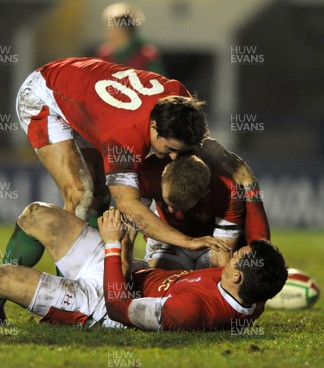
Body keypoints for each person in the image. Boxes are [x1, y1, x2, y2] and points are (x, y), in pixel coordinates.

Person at [0, 206, 287, 331]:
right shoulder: (249, 288)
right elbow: (256, 267)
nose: (229, 256)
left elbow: (122, 309)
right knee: (36, 216)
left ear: (236, 276)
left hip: (101, 304)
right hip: (123, 266)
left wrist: (111, 246)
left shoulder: (190, 312)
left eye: (234, 259)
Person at [16, 57, 226, 253]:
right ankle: (62, 282)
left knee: (100, 197)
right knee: (81, 194)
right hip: (43, 94)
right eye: (169, 149)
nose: (173, 158)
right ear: (154, 126)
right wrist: (187, 241)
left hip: (84, 94)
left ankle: (98, 269)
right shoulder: (124, 139)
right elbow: (129, 206)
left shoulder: (181, 100)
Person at [138, 138, 270, 270]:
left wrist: (250, 184)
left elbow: (222, 258)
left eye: (179, 206)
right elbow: (133, 223)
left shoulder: (227, 187)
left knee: (217, 279)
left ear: (204, 193)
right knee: (162, 280)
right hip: (169, 238)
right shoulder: (150, 170)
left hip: (212, 240)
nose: (170, 211)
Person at [96, 2, 165, 74]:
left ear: (122, 29)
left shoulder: (147, 56)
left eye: (109, 27)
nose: (105, 32)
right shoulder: (104, 54)